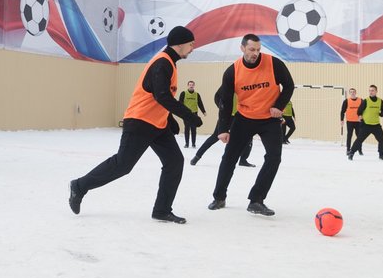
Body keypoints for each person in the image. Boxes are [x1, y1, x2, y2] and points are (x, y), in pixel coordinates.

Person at [69, 26, 201, 223]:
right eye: (191, 44)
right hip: (140, 121)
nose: (192, 48)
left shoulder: (170, 64)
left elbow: (159, 96)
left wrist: (170, 120)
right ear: (180, 44)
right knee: (123, 165)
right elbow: (162, 95)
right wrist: (188, 115)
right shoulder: (162, 63)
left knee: (174, 162)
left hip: (157, 123)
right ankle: (79, 186)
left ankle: (162, 210)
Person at [208, 33, 295, 216]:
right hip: (244, 118)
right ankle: (219, 197)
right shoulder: (232, 71)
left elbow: (289, 85)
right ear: (242, 48)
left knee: (274, 158)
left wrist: (279, 106)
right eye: (251, 49)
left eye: (257, 49)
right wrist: (223, 129)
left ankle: (256, 200)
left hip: (269, 120)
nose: (255, 53)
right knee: (229, 158)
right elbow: (225, 102)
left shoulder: (274, 64)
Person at [190, 89, 254, 167]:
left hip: (241, 116)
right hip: (226, 116)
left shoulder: (246, 85)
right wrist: (222, 107)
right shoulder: (230, 82)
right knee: (215, 137)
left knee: (248, 137)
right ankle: (197, 156)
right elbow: (217, 96)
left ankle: (243, 160)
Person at [347, 85, 383, 161]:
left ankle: (381, 155)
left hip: (376, 125)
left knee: (382, 140)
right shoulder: (366, 101)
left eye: (372, 90)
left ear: (376, 91)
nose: (371, 92)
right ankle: (351, 153)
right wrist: (360, 117)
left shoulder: (380, 101)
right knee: (359, 140)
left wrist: (381, 113)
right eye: (370, 90)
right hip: (366, 125)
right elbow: (359, 111)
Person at [177, 80, 207, 148]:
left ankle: (193, 144)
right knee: (187, 128)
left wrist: (204, 111)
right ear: (188, 85)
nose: (191, 86)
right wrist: (180, 112)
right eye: (190, 84)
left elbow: (200, 103)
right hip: (186, 114)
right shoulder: (183, 93)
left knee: (194, 129)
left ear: (194, 86)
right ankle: (186, 143)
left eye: (192, 84)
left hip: (194, 113)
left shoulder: (197, 94)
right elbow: (180, 103)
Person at [340, 88, 363, 156]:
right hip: (350, 121)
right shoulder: (346, 101)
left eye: (353, 92)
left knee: (359, 136)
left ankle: (360, 149)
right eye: (351, 92)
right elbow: (342, 111)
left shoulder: (361, 100)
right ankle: (348, 149)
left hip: (358, 122)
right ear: (349, 93)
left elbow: (364, 110)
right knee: (349, 135)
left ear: (356, 92)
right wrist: (342, 120)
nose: (352, 93)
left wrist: (362, 118)